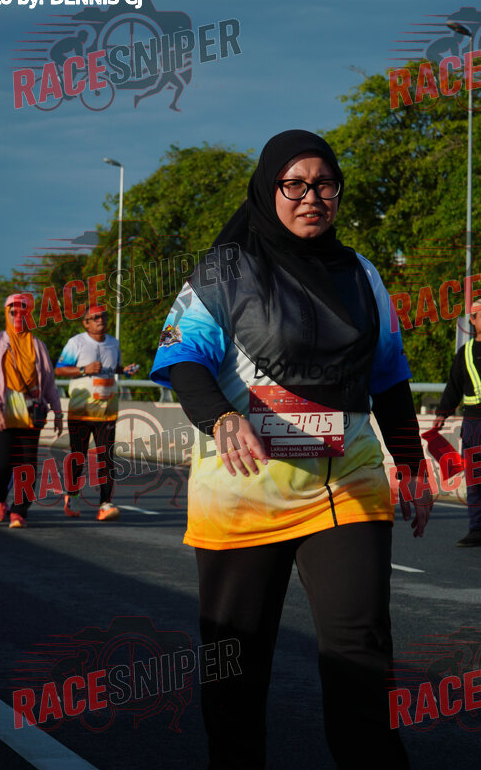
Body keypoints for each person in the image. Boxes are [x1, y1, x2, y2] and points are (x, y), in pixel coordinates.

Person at [150, 130, 434, 769]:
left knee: (361, 655)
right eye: (295, 184)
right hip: (244, 488)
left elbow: (390, 377)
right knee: (236, 663)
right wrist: (221, 418)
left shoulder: (362, 274)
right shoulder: (224, 271)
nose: (312, 197)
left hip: (346, 484)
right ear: (268, 188)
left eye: (325, 184)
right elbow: (182, 357)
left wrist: (411, 464)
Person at [0, 293, 63, 528]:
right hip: (4, 412)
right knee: (3, 464)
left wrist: (57, 412)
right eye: (13, 312)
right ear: (6, 314)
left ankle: (19, 511)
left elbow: (49, 382)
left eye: (22, 312)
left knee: (27, 466)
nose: (18, 316)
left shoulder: (37, 345)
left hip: (31, 412)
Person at [55, 307, 138, 521]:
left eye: (104, 316)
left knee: (106, 458)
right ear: (86, 323)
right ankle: (72, 495)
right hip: (81, 411)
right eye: (95, 317)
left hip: (107, 411)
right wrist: (84, 370)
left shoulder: (114, 343)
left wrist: (124, 370)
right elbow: (59, 369)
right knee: (78, 457)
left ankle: (105, 504)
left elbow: (112, 368)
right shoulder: (76, 343)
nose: (101, 320)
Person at [433, 303, 481, 547]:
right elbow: (453, 387)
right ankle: (477, 529)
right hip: (474, 424)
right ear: (472, 320)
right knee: (475, 478)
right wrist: (442, 413)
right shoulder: (466, 352)